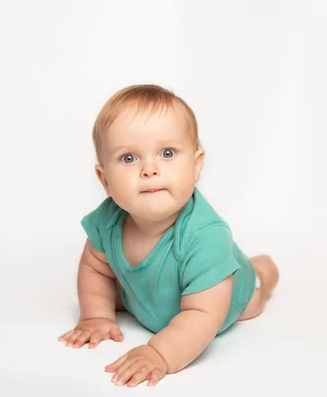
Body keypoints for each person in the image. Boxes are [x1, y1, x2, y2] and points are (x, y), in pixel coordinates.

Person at [58, 84, 280, 387]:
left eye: (167, 153)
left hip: (228, 301)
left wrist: (160, 354)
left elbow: (203, 314)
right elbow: (95, 268)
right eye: (128, 158)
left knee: (254, 295)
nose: (150, 169)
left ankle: (262, 270)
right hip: (151, 297)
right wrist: (97, 316)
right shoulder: (106, 222)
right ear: (104, 180)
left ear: (196, 165)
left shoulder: (206, 236)